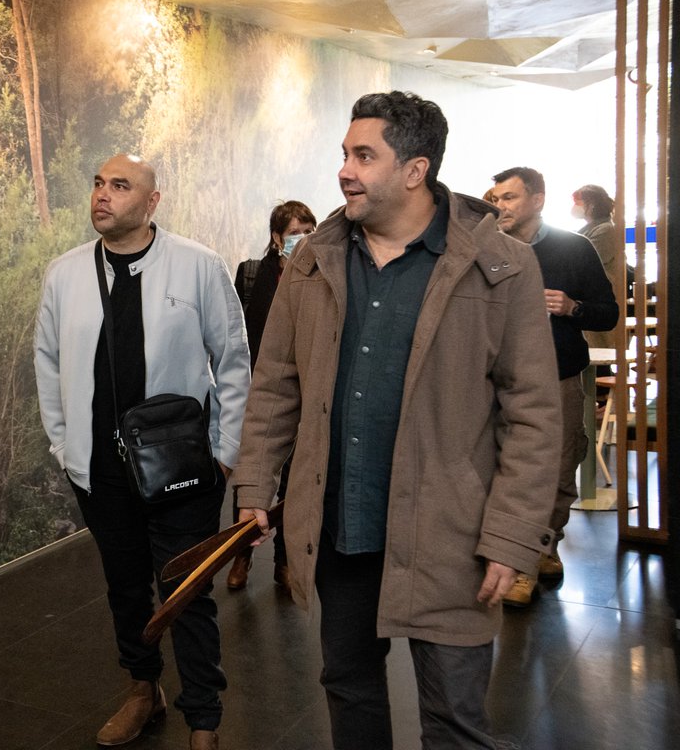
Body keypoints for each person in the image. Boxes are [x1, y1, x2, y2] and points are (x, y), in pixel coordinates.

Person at [234, 91, 562, 749]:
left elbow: (532, 414)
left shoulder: (502, 267)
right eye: (345, 154)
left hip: (451, 534)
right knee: (350, 694)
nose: (345, 170)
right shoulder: (312, 260)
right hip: (341, 529)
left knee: (455, 721)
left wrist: (512, 534)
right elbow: (275, 384)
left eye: (364, 155)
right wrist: (254, 486)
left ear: (415, 169)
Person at [34, 153, 251, 750]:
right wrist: (64, 446)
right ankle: (142, 691)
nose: (103, 194)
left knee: (187, 592)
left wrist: (224, 453)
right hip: (101, 473)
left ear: (152, 201)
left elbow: (233, 361)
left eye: (120, 185)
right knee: (126, 588)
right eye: (99, 183)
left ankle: (204, 720)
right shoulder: (65, 274)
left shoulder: (198, 266)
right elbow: (47, 362)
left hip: (182, 470)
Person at [491, 167, 619, 606]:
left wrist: (572, 306)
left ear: (538, 200)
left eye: (509, 198)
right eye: (497, 198)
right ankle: (522, 558)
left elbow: (608, 314)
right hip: (497, 382)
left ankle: (543, 547)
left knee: (560, 469)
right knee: (508, 472)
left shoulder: (574, 248)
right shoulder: (485, 248)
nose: (500, 206)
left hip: (559, 376)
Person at [226, 201, 316, 592]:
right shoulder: (251, 276)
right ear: (277, 238)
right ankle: (240, 556)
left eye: (311, 230)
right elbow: (235, 335)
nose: (305, 239)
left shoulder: (318, 276)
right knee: (255, 478)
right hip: (260, 390)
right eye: (297, 232)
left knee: (294, 482)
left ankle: (283, 561)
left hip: (305, 393)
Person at [571, 184, 621, 351]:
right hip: (587, 299)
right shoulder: (590, 229)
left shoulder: (605, 230)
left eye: (578, 202)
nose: (574, 207)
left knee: (598, 353)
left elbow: (582, 262)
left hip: (597, 299)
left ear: (590, 204)